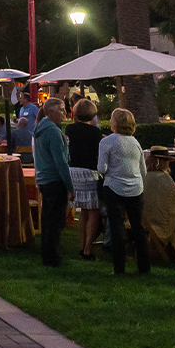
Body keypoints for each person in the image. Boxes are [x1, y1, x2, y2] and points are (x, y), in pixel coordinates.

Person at [96, 108, 148, 275]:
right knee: (138, 228)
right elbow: (143, 170)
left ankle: (119, 268)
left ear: (114, 123)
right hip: (136, 188)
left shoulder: (108, 141)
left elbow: (101, 167)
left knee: (117, 227)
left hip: (114, 188)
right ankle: (144, 267)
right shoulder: (135, 142)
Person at [65, 99, 104, 261]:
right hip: (90, 172)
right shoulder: (95, 132)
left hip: (73, 171)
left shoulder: (69, 129)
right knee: (93, 210)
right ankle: (88, 248)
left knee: (82, 211)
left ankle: (82, 245)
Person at [32, 100, 69, 267]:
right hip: (54, 179)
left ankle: (47, 254)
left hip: (44, 179)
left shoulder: (39, 129)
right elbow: (60, 161)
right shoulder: (53, 131)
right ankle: (53, 257)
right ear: (52, 112)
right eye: (61, 110)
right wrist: (70, 186)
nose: (65, 113)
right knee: (54, 220)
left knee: (47, 219)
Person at [140, 148, 175, 264]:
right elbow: (174, 199)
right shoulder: (163, 177)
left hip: (140, 217)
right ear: (163, 162)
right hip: (155, 220)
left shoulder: (144, 175)